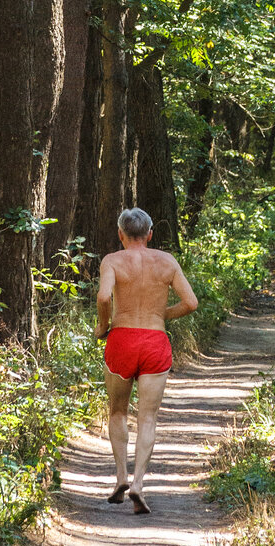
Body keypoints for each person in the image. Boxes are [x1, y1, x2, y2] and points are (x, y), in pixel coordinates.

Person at [94, 207, 198, 515]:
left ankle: (121, 479)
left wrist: (102, 326)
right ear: (150, 234)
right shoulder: (166, 262)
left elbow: (103, 298)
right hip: (154, 341)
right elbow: (190, 302)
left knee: (117, 411)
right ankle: (139, 483)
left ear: (120, 234)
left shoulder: (112, 260)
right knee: (148, 418)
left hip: (122, 340)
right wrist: (160, 315)